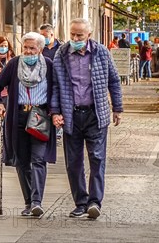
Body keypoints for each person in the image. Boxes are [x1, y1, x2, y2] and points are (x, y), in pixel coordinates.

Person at [51, 18, 123, 220]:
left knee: (97, 159)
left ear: (88, 35)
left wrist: (117, 108)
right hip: (71, 114)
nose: (75, 38)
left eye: (79, 35)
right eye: (72, 34)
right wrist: (56, 111)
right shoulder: (61, 54)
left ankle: (94, 202)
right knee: (73, 162)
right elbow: (55, 85)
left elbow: (114, 81)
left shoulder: (101, 52)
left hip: (96, 113)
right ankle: (80, 202)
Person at [0, 32, 56, 217]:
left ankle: (37, 201)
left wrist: (56, 112)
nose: (27, 51)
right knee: (22, 161)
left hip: (40, 116)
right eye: (25, 47)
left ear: (40, 49)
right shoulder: (14, 64)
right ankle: (28, 201)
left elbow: (56, 89)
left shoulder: (49, 66)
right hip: (18, 116)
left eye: (32, 48)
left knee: (39, 159)